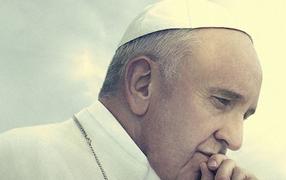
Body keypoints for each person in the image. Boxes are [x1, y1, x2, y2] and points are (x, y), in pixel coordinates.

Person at [0, 0, 262, 179]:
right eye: (222, 100)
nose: (236, 140)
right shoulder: (19, 160)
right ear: (142, 84)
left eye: (244, 115)